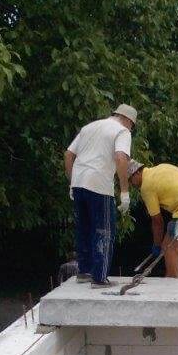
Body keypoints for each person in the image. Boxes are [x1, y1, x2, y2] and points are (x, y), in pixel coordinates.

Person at [64, 104, 137, 288]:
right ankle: (99, 277)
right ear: (128, 120)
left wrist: (72, 182)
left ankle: (84, 271)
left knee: (84, 228)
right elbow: (121, 158)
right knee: (104, 231)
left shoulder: (90, 127)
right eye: (132, 126)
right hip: (99, 184)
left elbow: (68, 154)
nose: (131, 129)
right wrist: (124, 191)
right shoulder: (122, 131)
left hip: (79, 182)